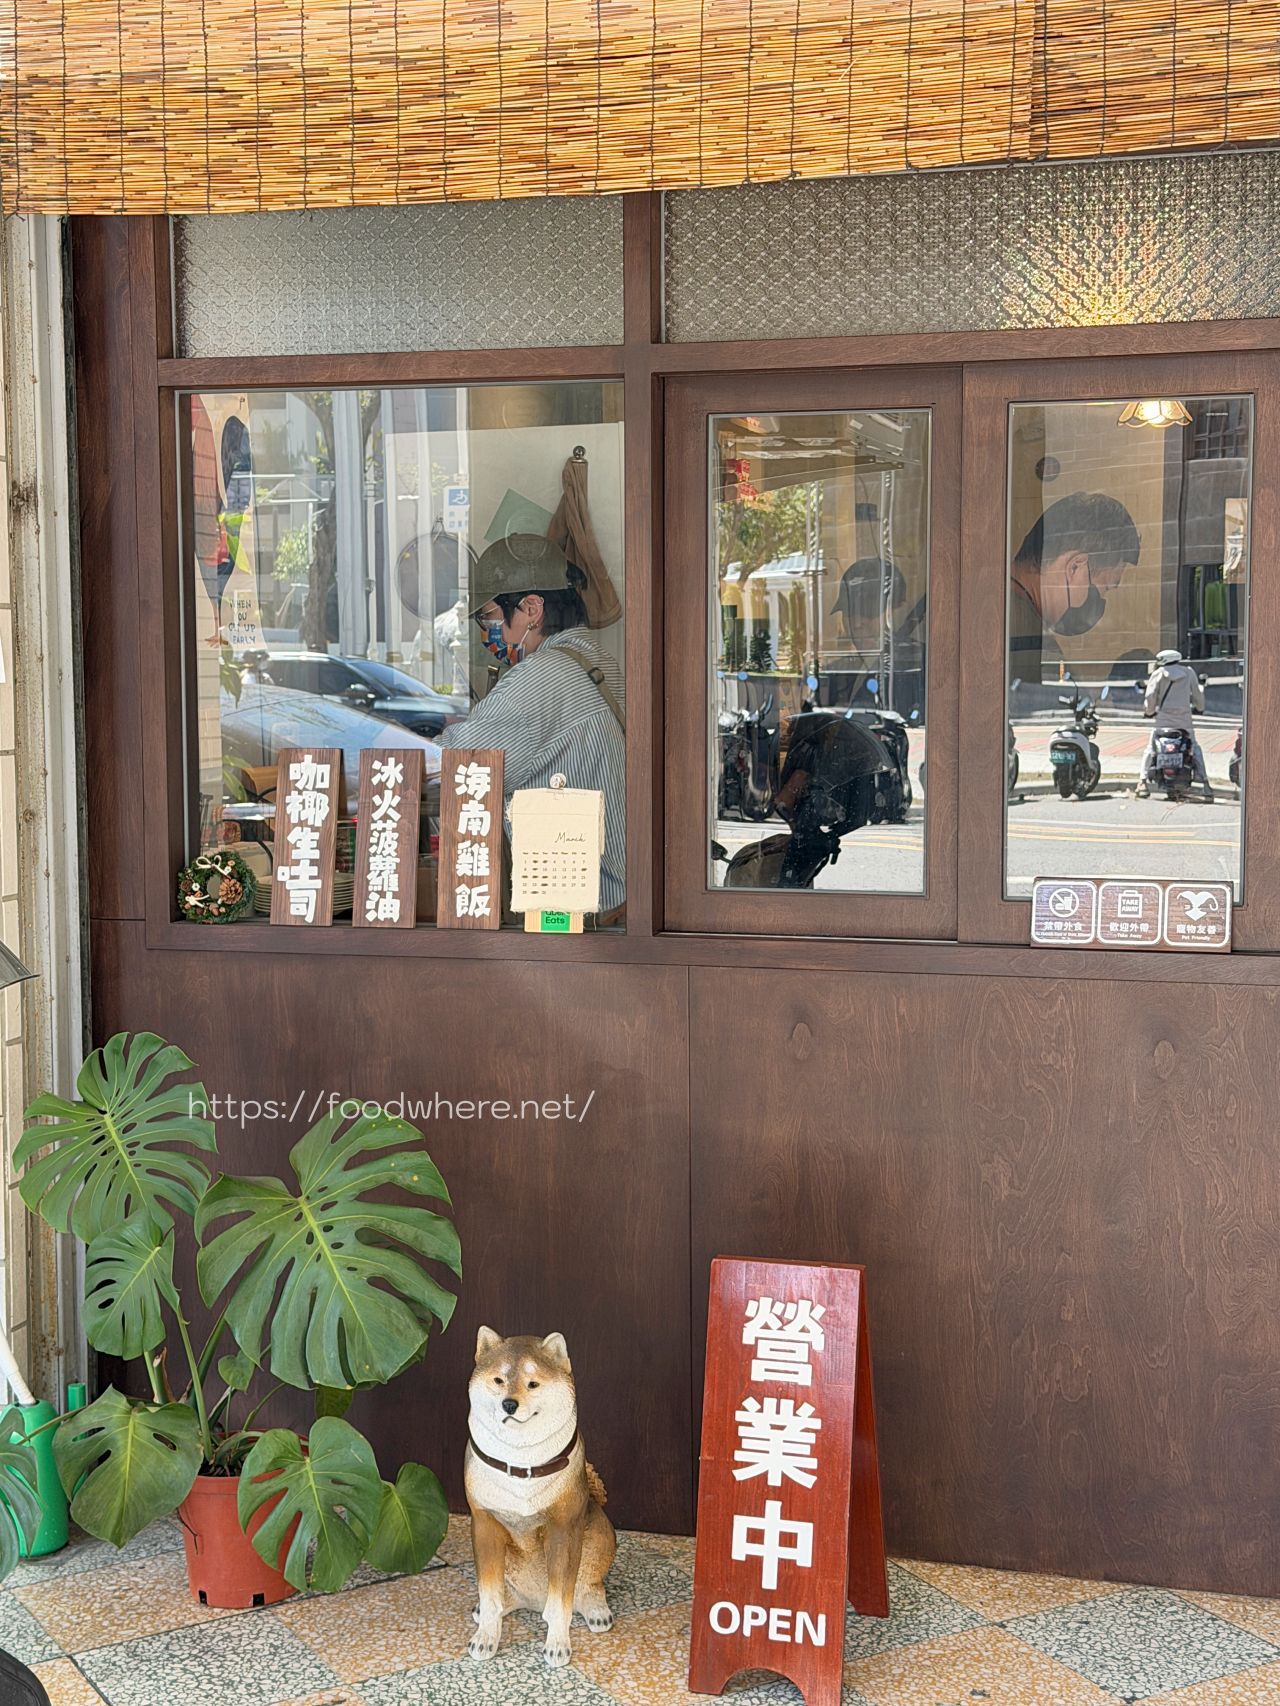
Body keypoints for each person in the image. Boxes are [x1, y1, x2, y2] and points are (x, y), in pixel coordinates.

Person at [438, 534, 625, 918]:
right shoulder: (599, 661)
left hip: (584, 909)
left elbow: (458, 764)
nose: (483, 632)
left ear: (532, 608)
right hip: (623, 893)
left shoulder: (542, 676)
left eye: (487, 617)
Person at [1009, 492, 1141, 691]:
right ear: (1075, 567)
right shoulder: (1021, 633)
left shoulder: (1000, 606)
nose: (1100, 601)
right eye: (1104, 589)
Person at [1135, 648, 1213, 801]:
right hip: (1184, 720)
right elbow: (1197, 694)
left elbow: (1150, 696)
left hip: (1163, 719)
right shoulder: (1189, 672)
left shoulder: (1157, 674)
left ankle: (1142, 782)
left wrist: (1149, 711)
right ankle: (1206, 785)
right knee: (1194, 748)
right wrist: (1200, 708)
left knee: (1151, 748)